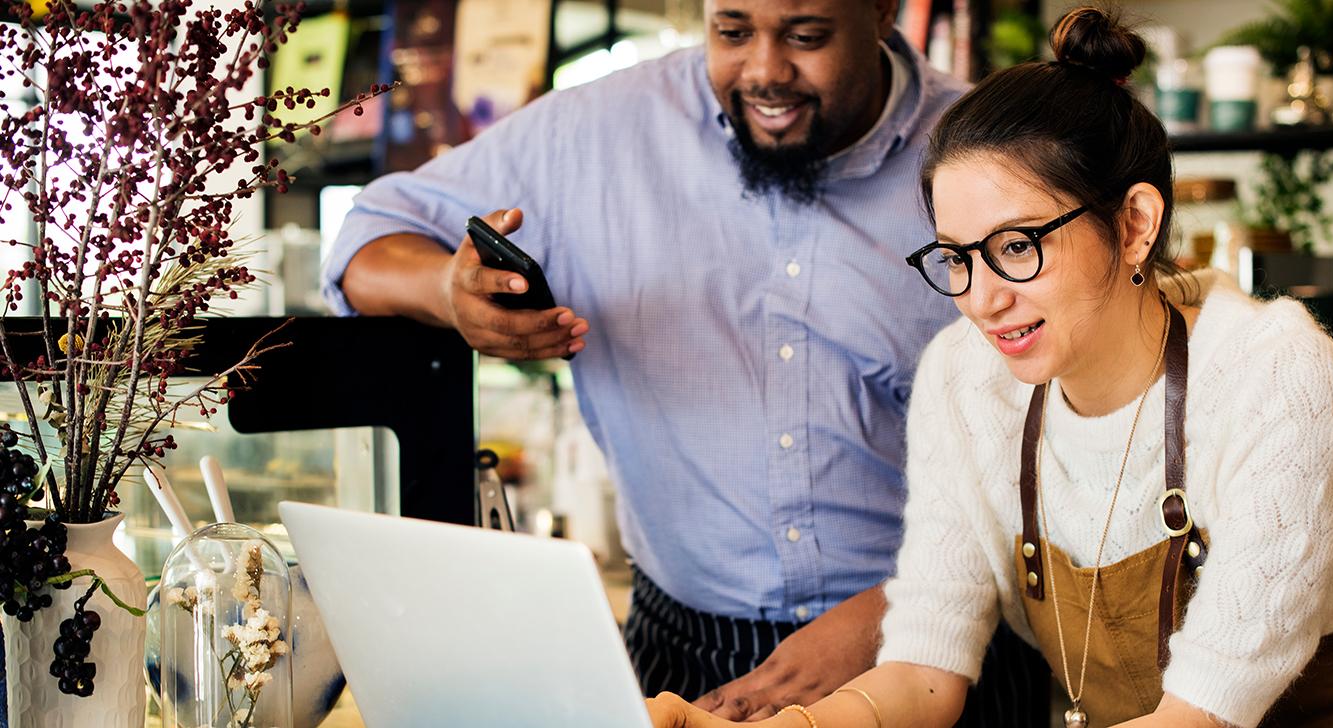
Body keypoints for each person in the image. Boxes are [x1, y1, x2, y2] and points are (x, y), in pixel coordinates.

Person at [646, 7, 1333, 728]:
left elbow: (1204, 711)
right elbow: (923, 672)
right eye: (956, 258)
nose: (980, 300)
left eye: (1016, 247)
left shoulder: (1275, 373)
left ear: (1135, 224)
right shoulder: (964, 379)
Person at [322, 1, 1049, 725]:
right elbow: (368, 237)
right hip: (688, 660)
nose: (765, 71)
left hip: (950, 647)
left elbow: (1094, 445)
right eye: (732, 32)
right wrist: (451, 296)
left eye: (806, 36)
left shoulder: (995, 154)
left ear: (883, 13)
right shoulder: (594, 134)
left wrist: (893, 615)